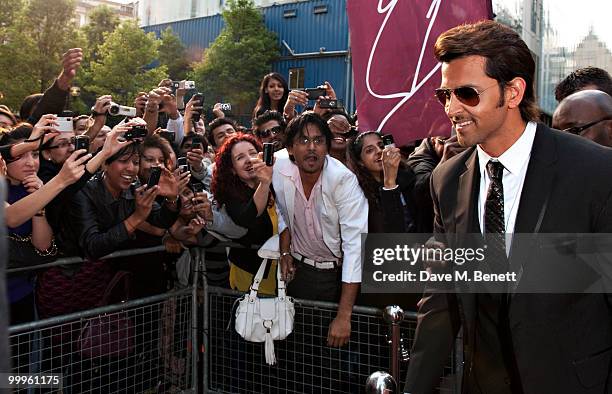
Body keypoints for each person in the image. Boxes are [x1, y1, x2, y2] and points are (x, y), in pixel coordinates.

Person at [404, 20, 612, 394]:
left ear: (513, 92)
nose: (451, 109)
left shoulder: (595, 172)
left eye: (466, 93)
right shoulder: (447, 180)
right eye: (444, 95)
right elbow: (440, 300)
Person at [272, 112, 368, 347]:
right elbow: (280, 210)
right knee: (294, 348)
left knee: (332, 354)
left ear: (327, 146)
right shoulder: (277, 167)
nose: (311, 148)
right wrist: (284, 250)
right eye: (303, 141)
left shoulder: (344, 181)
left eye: (318, 140)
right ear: (291, 148)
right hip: (298, 272)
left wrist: (344, 315)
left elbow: (355, 248)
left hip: (336, 278)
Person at [211, 133, 280, 294]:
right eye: (240, 157)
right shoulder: (231, 195)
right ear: (232, 169)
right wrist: (264, 183)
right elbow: (247, 218)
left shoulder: (277, 183)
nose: (249, 160)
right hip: (252, 276)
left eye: (253, 153)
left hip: (281, 272)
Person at [346, 131, 415, 233]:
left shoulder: (407, 177)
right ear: (360, 162)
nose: (379, 151)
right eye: (369, 150)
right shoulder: (359, 193)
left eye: (381, 146)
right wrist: (389, 182)